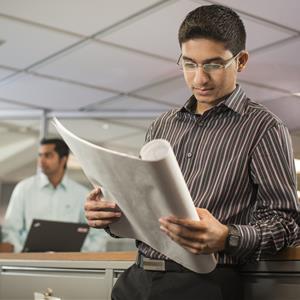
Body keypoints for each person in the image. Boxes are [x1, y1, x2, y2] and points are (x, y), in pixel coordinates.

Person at [84, 4, 300, 300]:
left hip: (205, 284)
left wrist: (228, 237)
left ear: (241, 61)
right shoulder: (162, 125)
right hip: (136, 279)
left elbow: (286, 224)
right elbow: (145, 208)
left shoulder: (264, 128)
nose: (199, 79)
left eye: (213, 64)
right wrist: (110, 216)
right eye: (189, 64)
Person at [2, 138, 107, 252]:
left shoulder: (82, 194)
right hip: (30, 264)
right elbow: (10, 230)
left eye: (47, 155)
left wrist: (80, 257)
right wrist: (22, 253)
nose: (41, 161)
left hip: (71, 266)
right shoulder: (23, 189)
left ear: (63, 159)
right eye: (40, 155)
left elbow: (98, 235)